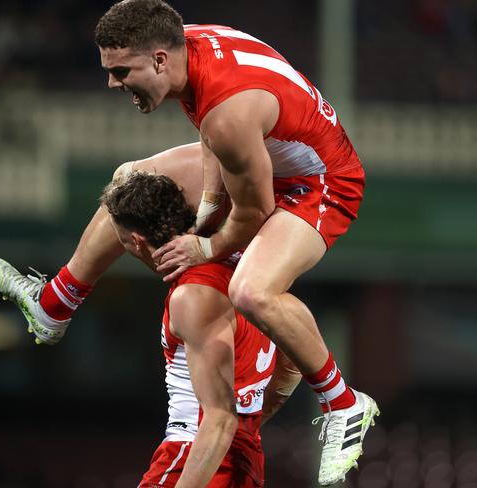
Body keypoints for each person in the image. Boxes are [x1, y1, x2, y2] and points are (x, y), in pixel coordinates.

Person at [90, 1, 381, 484]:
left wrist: (205, 247)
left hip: (321, 183)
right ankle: (59, 298)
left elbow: (254, 209)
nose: (113, 83)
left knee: (252, 291)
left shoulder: (226, 113)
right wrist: (207, 204)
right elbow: (211, 135)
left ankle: (344, 405)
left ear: (160, 59)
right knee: (129, 180)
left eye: (121, 71)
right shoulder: (194, 45)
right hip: (276, 160)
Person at [102, 172, 301, 487]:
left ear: (137, 241)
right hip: (243, 461)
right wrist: (251, 424)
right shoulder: (249, 274)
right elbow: (293, 364)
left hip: (196, 456)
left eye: (120, 238)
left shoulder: (193, 295)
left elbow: (219, 419)